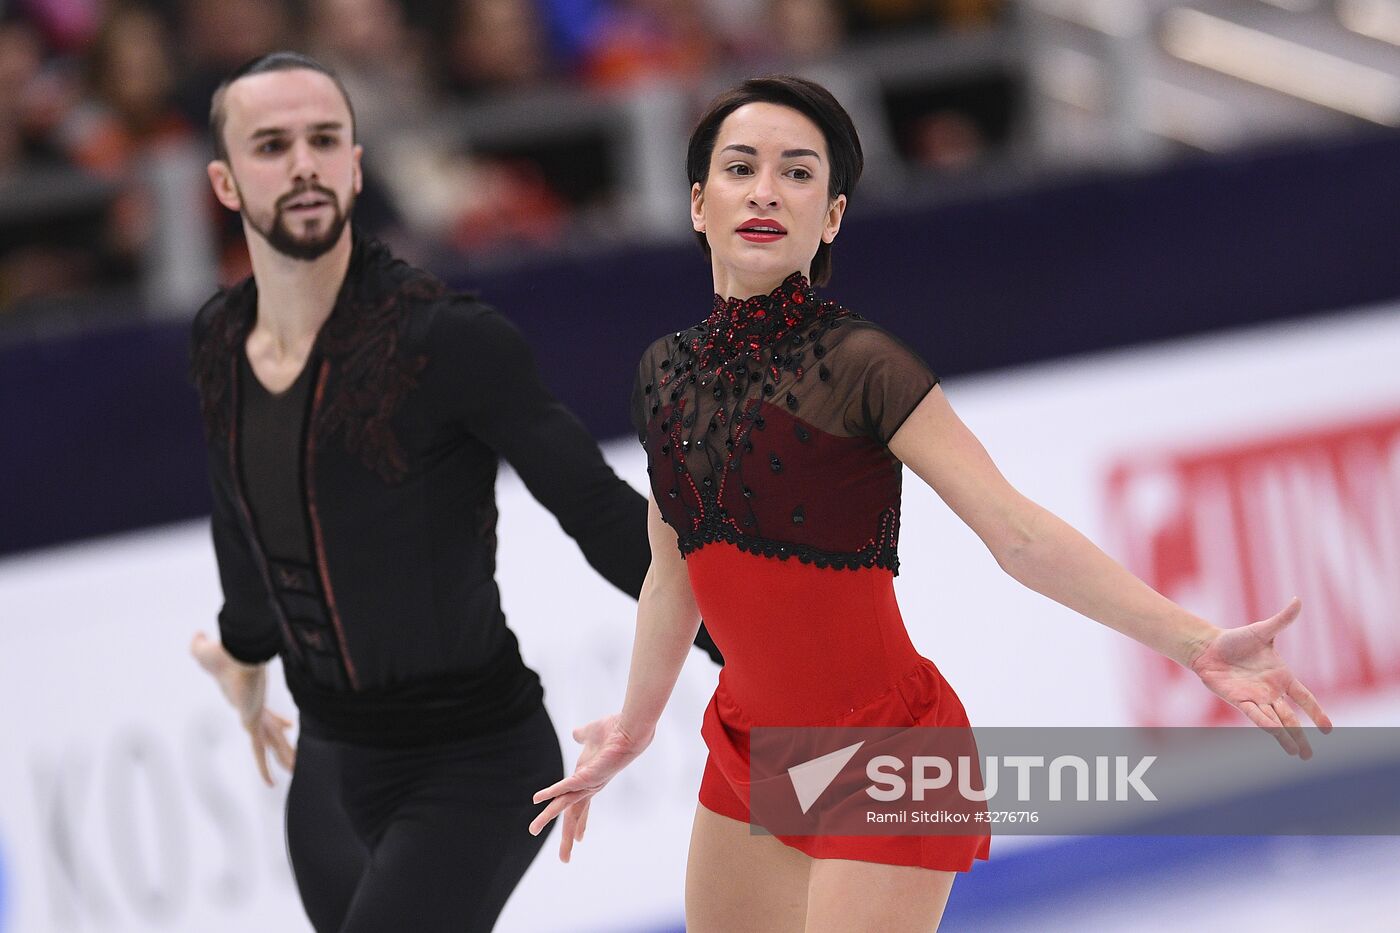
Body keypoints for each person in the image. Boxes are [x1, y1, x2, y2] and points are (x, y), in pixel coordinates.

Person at [528, 75, 1332, 931]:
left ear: (831, 216)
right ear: (698, 202)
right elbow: (671, 573)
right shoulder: (664, 373)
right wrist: (635, 726)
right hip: (747, 746)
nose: (765, 190)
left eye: (799, 173)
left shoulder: (863, 367)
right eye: (740, 168)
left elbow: (1017, 533)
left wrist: (1198, 641)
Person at [186, 51, 721, 933]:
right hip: (330, 771)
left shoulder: (446, 340)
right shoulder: (220, 341)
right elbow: (242, 513)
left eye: (325, 140)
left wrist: (742, 641)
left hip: (473, 758)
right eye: (272, 145)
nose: (305, 164)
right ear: (225, 181)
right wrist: (242, 651)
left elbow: (595, 508)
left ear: (358, 164)